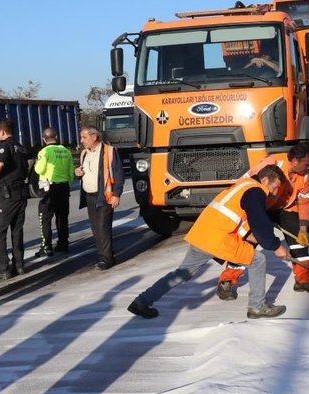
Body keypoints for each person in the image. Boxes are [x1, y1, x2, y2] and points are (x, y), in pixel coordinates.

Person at [128, 164, 290, 320]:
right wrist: (275, 246)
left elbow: (232, 216)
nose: (274, 193)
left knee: (182, 273)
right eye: (274, 187)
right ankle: (257, 306)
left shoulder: (244, 185)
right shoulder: (256, 191)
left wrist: (249, 236)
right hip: (218, 238)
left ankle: (142, 301)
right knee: (258, 260)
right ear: (266, 180)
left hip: (203, 234)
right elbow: (259, 222)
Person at [216, 142, 309, 301]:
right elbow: (246, 188)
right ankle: (226, 281)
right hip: (259, 208)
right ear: (294, 161)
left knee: (298, 242)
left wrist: (303, 228)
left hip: (284, 208)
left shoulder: (306, 175)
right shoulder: (271, 165)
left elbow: (305, 201)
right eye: (307, 164)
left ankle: (303, 280)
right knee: (246, 245)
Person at [0, 118, 29, 280]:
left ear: (1, 131)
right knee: (17, 230)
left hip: (7, 194)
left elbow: (0, 164)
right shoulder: (20, 147)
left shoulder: (4, 146)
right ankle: (19, 264)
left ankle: (2, 267)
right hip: (21, 192)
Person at [75, 126, 123, 270]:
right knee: (96, 229)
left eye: (84, 137)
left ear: (94, 137)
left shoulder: (109, 151)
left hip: (105, 196)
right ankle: (106, 254)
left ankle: (106, 259)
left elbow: (119, 174)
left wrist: (116, 194)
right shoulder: (84, 153)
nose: (81, 140)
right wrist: (77, 172)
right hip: (90, 196)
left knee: (103, 227)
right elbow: (82, 171)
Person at [34, 128, 75, 257]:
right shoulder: (66, 151)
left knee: (45, 217)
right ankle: (63, 244)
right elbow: (71, 172)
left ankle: (46, 247)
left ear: (44, 139)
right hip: (63, 187)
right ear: (56, 137)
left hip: (49, 188)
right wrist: (67, 184)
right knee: (62, 217)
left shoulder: (45, 151)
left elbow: (39, 169)